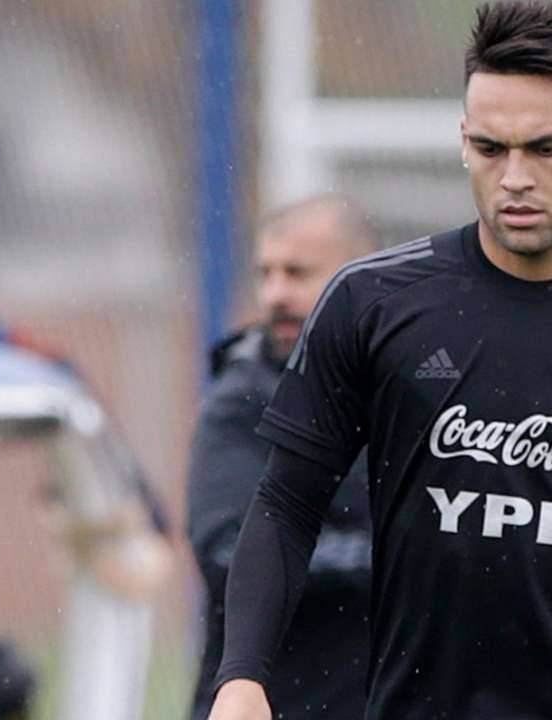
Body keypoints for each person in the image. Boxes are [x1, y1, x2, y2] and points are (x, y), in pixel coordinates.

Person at [210, 2, 552, 718]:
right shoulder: (370, 304)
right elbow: (287, 504)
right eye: (491, 148)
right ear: (463, 142)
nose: (515, 176)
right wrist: (242, 676)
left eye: (545, 148)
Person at [188, 195, 376, 720]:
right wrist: (392, 559)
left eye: (297, 273)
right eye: (265, 274)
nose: (276, 295)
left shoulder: (406, 393)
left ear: (359, 277)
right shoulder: (240, 400)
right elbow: (227, 551)